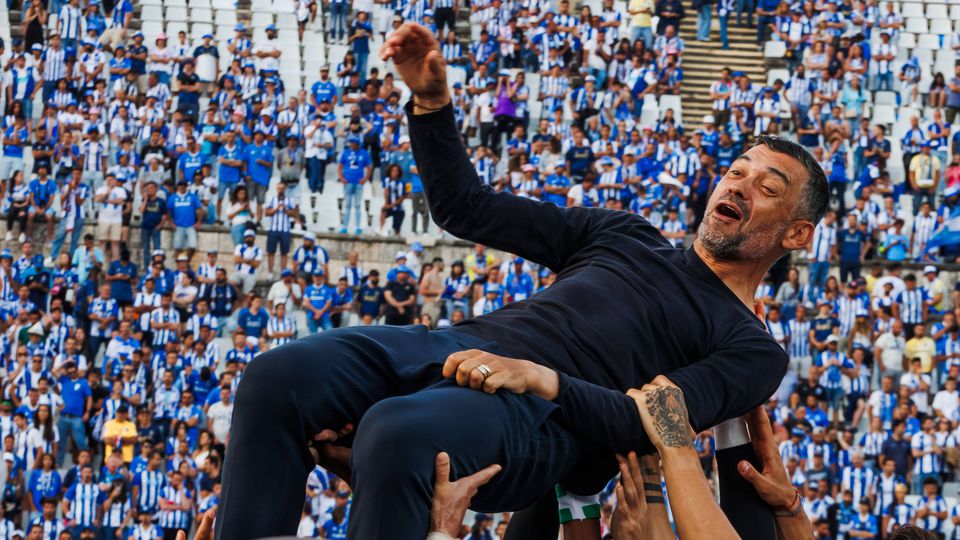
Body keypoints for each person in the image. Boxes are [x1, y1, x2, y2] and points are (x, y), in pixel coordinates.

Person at [216, 23, 830, 540]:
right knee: (277, 376)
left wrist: (542, 379)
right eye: (735, 171)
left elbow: (642, 421)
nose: (736, 186)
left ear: (796, 235)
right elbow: (467, 209)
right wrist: (431, 107)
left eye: (766, 187)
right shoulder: (623, 232)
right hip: (461, 348)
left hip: (542, 418)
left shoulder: (751, 350)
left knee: (398, 433)